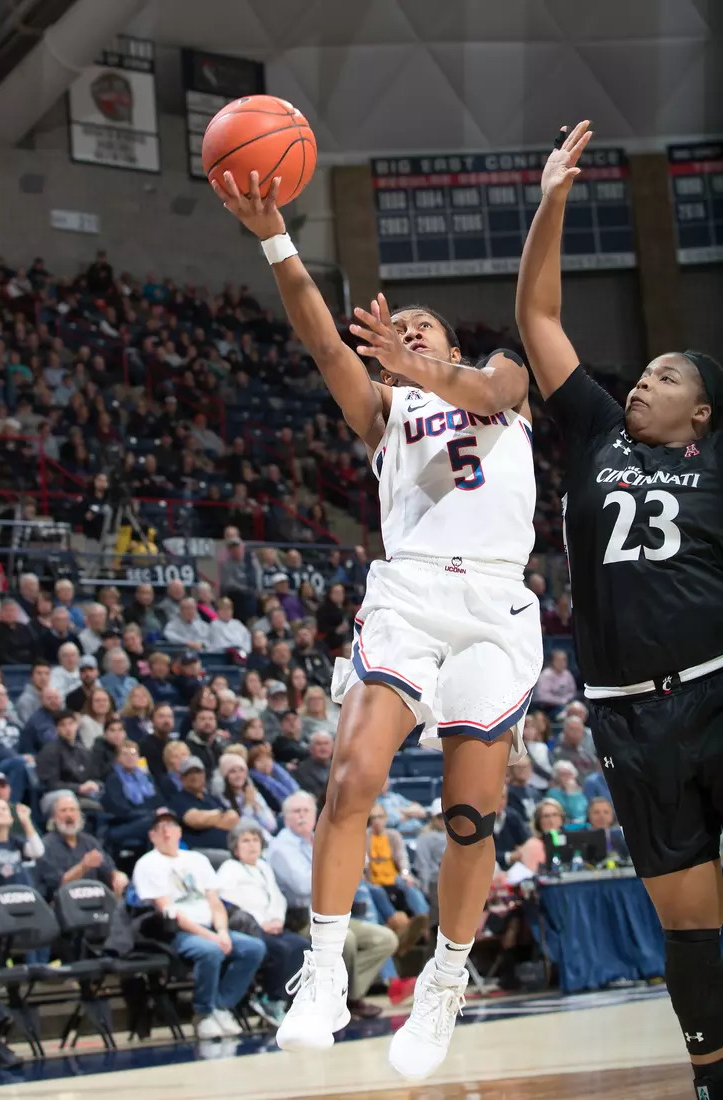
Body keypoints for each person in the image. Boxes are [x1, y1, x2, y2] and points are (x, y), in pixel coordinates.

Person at [215, 169, 542, 1077]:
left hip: (493, 602)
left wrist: (415, 358)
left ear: (450, 340)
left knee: (472, 815)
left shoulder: (505, 384)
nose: (406, 336)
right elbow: (323, 342)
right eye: (398, 331)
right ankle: (322, 969)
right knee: (352, 772)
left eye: (423, 328)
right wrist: (276, 237)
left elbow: (481, 390)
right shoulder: (386, 410)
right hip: (406, 593)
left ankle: (443, 980)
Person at [517, 118, 723, 1099]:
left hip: (715, 688)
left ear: (703, 412)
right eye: (640, 371)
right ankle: (709, 1076)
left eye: (666, 375)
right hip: (625, 712)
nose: (642, 379)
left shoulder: (718, 465)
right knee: (688, 918)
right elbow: (540, 319)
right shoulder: (597, 427)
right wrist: (551, 196)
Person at [132, 807, 266, 1039]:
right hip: (175, 932)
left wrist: (222, 931)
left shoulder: (197, 859)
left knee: (254, 947)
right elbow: (167, 910)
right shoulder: (148, 864)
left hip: (211, 926)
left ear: (179, 832)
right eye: (159, 828)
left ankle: (220, 1006)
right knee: (211, 951)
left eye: (170, 827)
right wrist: (213, 938)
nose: (166, 833)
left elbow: (215, 903)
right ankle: (203, 1013)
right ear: (152, 836)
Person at [267, 792, 397, 1022]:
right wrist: (337, 870)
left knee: (385, 939)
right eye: (295, 812)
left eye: (306, 811)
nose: (301, 816)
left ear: (315, 815)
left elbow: (352, 874)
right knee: (346, 939)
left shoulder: (319, 838)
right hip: (301, 921)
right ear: (285, 818)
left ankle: (349, 996)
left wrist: (337, 872)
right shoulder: (280, 847)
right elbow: (303, 885)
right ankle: (343, 999)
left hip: (332, 913)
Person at [217, 821, 309, 1022]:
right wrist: (260, 923)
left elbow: (278, 898)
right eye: (246, 841)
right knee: (282, 950)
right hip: (249, 928)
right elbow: (229, 903)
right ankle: (268, 997)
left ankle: (280, 1000)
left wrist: (276, 919)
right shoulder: (230, 868)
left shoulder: (264, 867)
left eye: (255, 840)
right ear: (235, 847)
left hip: (272, 926)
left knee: (303, 946)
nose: (252, 845)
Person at [36, 791, 128, 900]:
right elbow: (60, 884)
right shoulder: (46, 845)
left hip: (94, 900)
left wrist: (117, 876)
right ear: (54, 817)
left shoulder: (89, 841)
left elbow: (108, 868)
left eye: (72, 810)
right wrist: (83, 867)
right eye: (63, 810)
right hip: (64, 904)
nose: (69, 815)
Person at [171, 756, 239, 859]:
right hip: (199, 852)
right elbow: (195, 820)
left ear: (204, 774)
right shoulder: (179, 799)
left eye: (198, 772)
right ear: (181, 777)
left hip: (228, 847)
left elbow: (233, 817)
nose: (194, 776)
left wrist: (208, 820)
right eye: (188, 773)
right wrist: (220, 815)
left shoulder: (211, 797)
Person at [102, 740, 161, 852]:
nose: (130, 757)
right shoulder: (114, 779)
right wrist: (150, 814)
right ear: (117, 758)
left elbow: (158, 801)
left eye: (133, 754)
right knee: (154, 825)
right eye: (125, 754)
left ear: (138, 757)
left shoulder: (147, 778)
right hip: (123, 825)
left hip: (147, 819)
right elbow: (120, 810)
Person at [36, 710, 100, 807]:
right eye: (63, 725)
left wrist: (93, 784)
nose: (68, 728)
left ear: (76, 725)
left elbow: (92, 775)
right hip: (57, 796)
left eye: (71, 723)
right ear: (56, 729)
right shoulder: (50, 751)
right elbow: (51, 784)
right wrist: (79, 788)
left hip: (81, 794)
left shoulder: (82, 750)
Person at [218, 754, 276, 835]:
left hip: (265, 837)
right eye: (233, 771)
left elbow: (272, 825)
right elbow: (240, 830)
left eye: (241, 770)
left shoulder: (253, 793)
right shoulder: (222, 799)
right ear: (225, 776)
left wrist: (257, 808)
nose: (238, 775)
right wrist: (248, 805)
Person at [0, 800, 43, 888]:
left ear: (11, 819)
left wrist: (26, 821)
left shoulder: (17, 842)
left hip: (18, 893)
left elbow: (38, 852)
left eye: (4, 809)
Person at [248, 744, 298, 814]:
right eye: (259, 760)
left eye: (267, 758)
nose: (265, 763)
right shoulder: (254, 781)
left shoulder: (281, 771)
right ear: (252, 765)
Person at [413, 798, 447, 896]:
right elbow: (423, 865)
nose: (443, 820)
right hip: (435, 882)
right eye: (440, 817)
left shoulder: (458, 835)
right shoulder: (425, 837)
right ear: (433, 817)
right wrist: (425, 889)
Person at [18, 686, 63, 756]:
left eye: (56, 698)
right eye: (49, 698)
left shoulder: (66, 717)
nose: (53, 701)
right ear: (41, 701)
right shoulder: (36, 722)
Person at [138, 703, 175, 786]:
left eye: (169, 716)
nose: (166, 720)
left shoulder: (176, 745)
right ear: (152, 720)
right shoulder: (143, 746)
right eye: (161, 717)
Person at [532, 649, 578, 715]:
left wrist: (566, 699)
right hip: (546, 706)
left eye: (564, 660)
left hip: (564, 703)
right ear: (552, 661)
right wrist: (561, 701)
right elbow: (543, 696)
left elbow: (572, 691)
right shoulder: (545, 675)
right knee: (565, 709)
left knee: (578, 708)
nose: (561, 663)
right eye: (559, 660)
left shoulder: (567, 674)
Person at [294, 731, 333, 804]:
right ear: (311, 748)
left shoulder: (338, 767)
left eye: (326, 743)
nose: (323, 747)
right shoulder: (302, 771)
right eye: (319, 744)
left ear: (332, 747)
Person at [547, 761, 588, 826]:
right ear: (557, 777)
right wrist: (570, 794)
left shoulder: (579, 793)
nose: (567, 777)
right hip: (566, 826)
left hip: (584, 825)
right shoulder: (553, 794)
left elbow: (585, 812)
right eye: (563, 774)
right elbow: (570, 814)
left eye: (569, 774)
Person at [90, 716, 127, 782]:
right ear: (105, 734)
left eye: (120, 730)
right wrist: (116, 761)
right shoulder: (98, 749)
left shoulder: (129, 746)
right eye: (112, 730)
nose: (117, 734)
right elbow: (97, 774)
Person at [16, 660, 51, 725]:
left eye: (47, 674)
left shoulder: (53, 697)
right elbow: (29, 726)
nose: (43, 678)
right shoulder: (24, 700)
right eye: (39, 673)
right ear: (31, 677)